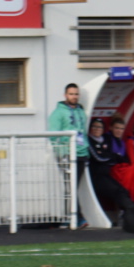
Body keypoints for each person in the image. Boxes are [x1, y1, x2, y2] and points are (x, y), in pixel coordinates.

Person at [48, 82, 89, 220]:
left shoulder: (81, 111)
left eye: (76, 94)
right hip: (67, 154)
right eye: (71, 94)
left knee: (73, 186)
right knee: (70, 185)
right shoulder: (58, 112)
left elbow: (83, 132)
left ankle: (70, 217)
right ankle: (76, 217)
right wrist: (61, 153)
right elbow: (52, 135)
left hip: (82, 153)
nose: (74, 96)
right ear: (65, 95)